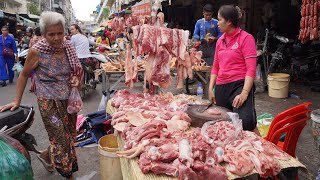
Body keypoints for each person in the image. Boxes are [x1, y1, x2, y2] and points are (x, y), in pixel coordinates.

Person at [0, 11, 83, 179]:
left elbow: (75, 71)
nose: (56, 38)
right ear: (44, 34)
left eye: (60, 33)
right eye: (51, 34)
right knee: (60, 139)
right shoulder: (36, 51)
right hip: (48, 101)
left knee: (70, 135)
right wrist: (17, 99)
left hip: (68, 99)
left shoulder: (68, 46)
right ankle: (69, 175)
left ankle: (46, 154)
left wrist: (76, 80)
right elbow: (23, 75)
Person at [208, 5, 259, 134]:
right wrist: (210, 88)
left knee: (246, 124)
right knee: (225, 126)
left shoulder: (246, 38)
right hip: (221, 87)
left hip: (239, 86)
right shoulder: (220, 41)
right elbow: (215, 67)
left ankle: (262, 151)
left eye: (219, 20)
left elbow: (251, 69)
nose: (217, 23)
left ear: (229, 21)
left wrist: (244, 93)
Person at [28, 27, 43, 92]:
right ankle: (37, 86)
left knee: (33, 71)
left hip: (32, 57)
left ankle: (33, 86)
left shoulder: (32, 39)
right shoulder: (43, 39)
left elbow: (30, 47)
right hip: (41, 58)